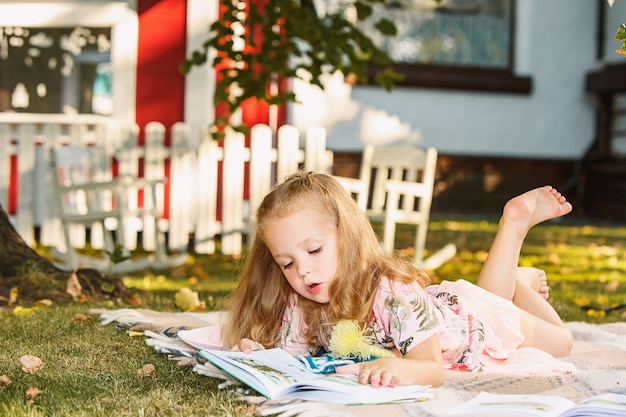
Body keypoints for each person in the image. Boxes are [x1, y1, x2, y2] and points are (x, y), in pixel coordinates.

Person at [220, 171, 574, 388]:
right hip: (449, 309)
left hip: (476, 323)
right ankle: (509, 278)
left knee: (563, 341)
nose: (303, 272)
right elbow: (293, 360)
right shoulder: (303, 298)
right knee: (492, 294)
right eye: (287, 263)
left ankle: (516, 259)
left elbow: (431, 370)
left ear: (348, 235)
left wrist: (397, 366)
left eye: (314, 250)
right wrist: (259, 354)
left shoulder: (392, 292)